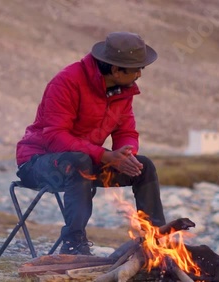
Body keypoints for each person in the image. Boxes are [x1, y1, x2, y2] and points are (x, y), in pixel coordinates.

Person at [15, 31, 166, 255]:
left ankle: (156, 241)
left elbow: (126, 131)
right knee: (80, 162)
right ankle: (74, 243)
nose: (140, 74)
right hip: (38, 162)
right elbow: (55, 137)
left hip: (84, 160)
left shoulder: (123, 91)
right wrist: (105, 156)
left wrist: (126, 153)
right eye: (137, 69)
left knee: (144, 167)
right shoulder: (67, 81)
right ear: (116, 70)